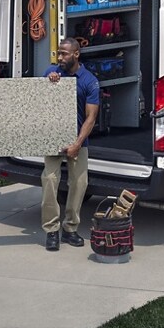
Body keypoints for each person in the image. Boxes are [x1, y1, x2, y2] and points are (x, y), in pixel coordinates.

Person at [41, 37, 101, 251]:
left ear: (76, 54)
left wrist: (77, 144)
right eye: (58, 53)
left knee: (79, 182)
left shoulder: (89, 81)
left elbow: (91, 118)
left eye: (64, 54)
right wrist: (50, 80)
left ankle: (70, 229)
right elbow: (39, 98)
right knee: (49, 180)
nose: (60, 58)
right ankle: (51, 231)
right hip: (54, 138)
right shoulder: (51, 73)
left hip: (78, 139)